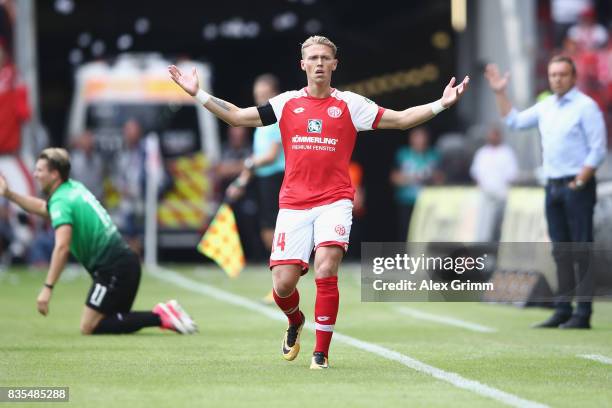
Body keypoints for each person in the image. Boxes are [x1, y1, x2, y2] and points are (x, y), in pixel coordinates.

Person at [169, 35, 469, 368]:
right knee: (283, 286)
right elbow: (238, 117)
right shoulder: (286, 104)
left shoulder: (350, 105)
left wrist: (442, 103)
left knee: (326, 266)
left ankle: (321, 354)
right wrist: (197, 93)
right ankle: (295, 320)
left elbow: (400, 120)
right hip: (294, 203)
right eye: (313, 58)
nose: (320, 63)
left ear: (335, 64)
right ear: (303, 64)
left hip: (334, 201)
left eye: (326, 58)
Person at [0, 148, 197, 335]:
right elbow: (44, 208)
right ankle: (163, 314)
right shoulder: (72, 188)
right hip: (124, 264)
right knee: (110, 320)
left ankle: (161, 316)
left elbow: (62, 247)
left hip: (113, 269)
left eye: (40, 170)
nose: (35, 174)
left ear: (54, 175)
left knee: (89, 326)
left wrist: (47, 288)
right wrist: (9, 194)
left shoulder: (62, 201)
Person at [485, 55, 607, 329]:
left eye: (563, 74)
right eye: (553, 75)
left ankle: (583, 313)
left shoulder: (586, 107)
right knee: (560, 251)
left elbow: (598, 149)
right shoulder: (546, 106)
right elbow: (514, 121)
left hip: (577, 185)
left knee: (580, 249)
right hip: (552, 187)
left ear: (573, 77)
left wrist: (580, 180)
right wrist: (500, 92)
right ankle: (563, 309)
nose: (557, 79)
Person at [390, 127, 441, 241]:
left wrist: (429, 178)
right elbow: (394, 177)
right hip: (407, 199)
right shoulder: (403, 154)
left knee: (427, 231)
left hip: (428, 201)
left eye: (422, 137)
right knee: (406, 230)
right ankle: (405, 256)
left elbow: (441, 178)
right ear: (411, 139)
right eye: (417, 137)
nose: (420, 140)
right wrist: (412, 178)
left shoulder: (434, 155)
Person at [470, 125, 519, 242]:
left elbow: (512, 175)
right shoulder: (482, 153)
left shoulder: (507, 153)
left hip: (501, 197)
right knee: (483, 226)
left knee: (497, 228)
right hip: (485, 196)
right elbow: (475, 173)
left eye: (495, 134)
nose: (492, 137)